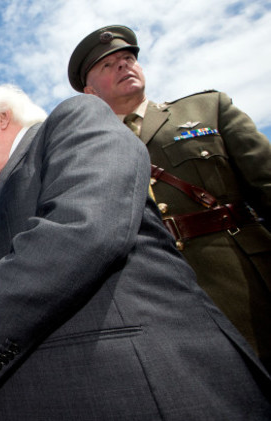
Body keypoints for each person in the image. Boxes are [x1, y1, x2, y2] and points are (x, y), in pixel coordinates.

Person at [0, 84, 271, 420]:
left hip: (142, 394)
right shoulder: (11, 184)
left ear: (2, 116)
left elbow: (83, 228)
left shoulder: (75, 118)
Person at [68, 25, 271, 369]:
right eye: (108, 64)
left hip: (245, 286)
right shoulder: (84, 156)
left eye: (128, 58)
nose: (123, 65)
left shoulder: (208, 108)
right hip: (159, 306)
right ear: (89, 92)